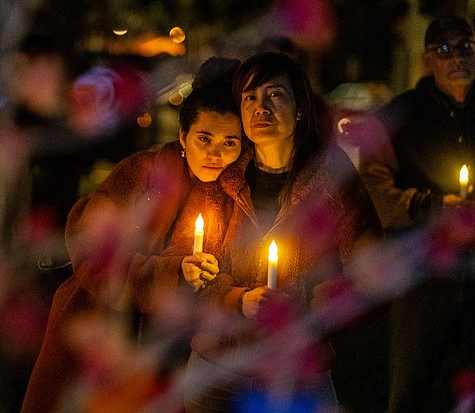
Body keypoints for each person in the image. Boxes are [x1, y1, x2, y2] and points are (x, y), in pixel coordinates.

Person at [20, 56, 243, 413]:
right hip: (103, 327)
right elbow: (90, 246)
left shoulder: (234, 192)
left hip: (173, 348)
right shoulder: (144, 172)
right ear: (183, 136)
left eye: (230, 142)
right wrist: (167, 273)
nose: (216, 153)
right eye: (205, 138)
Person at [181, 51, 385, 413]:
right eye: (250, 97)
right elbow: (188, 266)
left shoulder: (331, 181)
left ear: (301, 109)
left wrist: (306, 300)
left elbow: (372, 270)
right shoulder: (223, 178)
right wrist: (235, 298)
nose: (261, 107)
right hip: (217, 366)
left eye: (275, 94)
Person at [357, 14, 475, 412]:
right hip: (422, 267)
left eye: (465, 47)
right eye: (444, 49)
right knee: (410, 386)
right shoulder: (400, 115)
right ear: (427, 59)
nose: (456, 57)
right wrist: (430, 205)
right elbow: (375, 185)